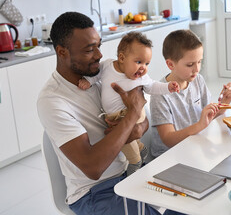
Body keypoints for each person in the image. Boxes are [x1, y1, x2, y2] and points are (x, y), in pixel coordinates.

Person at [37, 12, 184, 215]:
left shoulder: (102, 74)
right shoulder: (53, 101)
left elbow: (143, 120)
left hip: (128, 174)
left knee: (191, 202)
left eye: (99, 45)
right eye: (89, 49)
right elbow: (93, 167)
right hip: (95, 192)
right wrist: (132, 115)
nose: (98, 54)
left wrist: (138, 127)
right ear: (62, 52)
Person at [78, 31, 179, 175]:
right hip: (115, 116)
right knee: (124, 138)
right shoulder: (107, 66)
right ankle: (141, 149)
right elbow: (96, 76)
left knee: (123, 140)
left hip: (133, 113)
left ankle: (135, 163)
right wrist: (88, 82)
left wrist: (168, 87)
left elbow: (153, 86)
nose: (143, 67)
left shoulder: (140, 78)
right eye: (138, 62)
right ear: (121, 58)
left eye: (146, 63)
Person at [150, 29, 231, 158]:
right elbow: (168, 139)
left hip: (193, 146)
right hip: (168, 157)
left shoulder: (197, 80)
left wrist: (223, 105)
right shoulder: (159, 94)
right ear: (170, 64)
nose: (197, 69)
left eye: (199, 62)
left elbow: (207, 117)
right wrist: (199, 126)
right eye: (190, 64)